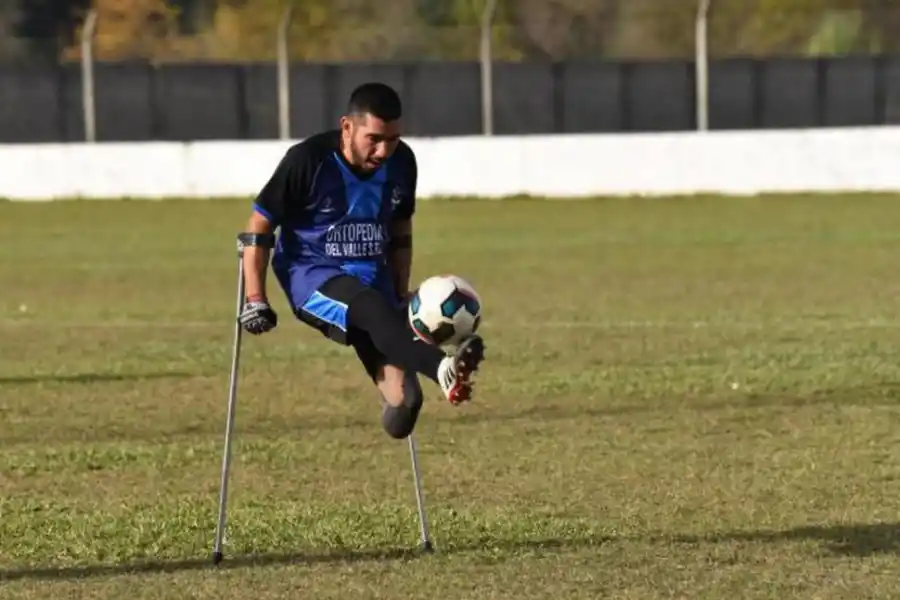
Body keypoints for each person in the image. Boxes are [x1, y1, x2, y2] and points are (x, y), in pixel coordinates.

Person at [236, 82, 485, 440]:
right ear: (347, 127)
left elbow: (400, 228)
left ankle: (423, 385)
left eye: (394, 139)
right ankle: (441, 367)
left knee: (405, 402)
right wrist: (255, 300)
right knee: (368, 307)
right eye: (374, 139)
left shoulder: (402, 162)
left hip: (373, 276)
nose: (384, 150)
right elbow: (259, 224)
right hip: (312, 274)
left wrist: (400, 291)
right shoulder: (307, 160)